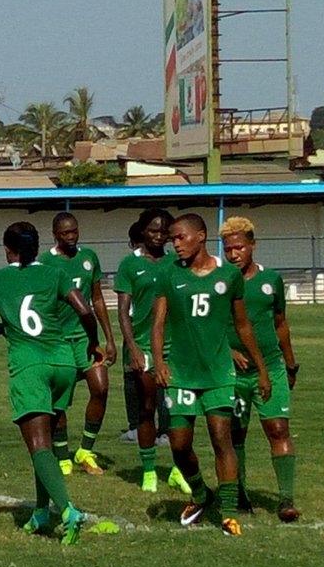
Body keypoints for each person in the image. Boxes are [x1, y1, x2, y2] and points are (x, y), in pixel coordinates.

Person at [0, 222, 100, 545]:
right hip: (64, 363)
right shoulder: (53, 272)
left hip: (30, 365)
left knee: (39, 444)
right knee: (43, 442)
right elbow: (85, 309)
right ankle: (41, 511)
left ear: (7, 249)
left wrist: (6, 327)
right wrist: (94, 343)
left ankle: (68, 510)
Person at [151, 213, 270, 537]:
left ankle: (229, 513)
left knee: (221, 438)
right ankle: (201, 493)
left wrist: (261, 368)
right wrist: (159, 361)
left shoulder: (229, 276)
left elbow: (242, 325)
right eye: (172, 239)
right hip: (181, 373)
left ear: (201, 236)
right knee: (178, 444)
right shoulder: (167, 275)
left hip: (218, 373)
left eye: (181, 237)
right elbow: (158, 323)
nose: (175, 244)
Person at [219, 217, 300, 522]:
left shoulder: (271, 280)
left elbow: (280, 323)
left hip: (271, 367)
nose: (233, 254)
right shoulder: (221, 280)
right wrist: (229, 351)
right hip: (231, 373)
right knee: (234, 434)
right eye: (228, 249)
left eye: (239, 247)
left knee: (278, 428)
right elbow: (206, 325)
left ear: (253, 245)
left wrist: (290, 364)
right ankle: (240, 494)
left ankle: (286, 499)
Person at [114, 209, 187, 493]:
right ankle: (148, 470)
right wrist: (133, 348)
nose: (158, 235)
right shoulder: (130, 265)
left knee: (179, 411)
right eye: (153, 230)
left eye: (164, 231)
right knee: (147, 408)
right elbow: (122, 312)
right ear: (142, 231)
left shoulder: (177, 262)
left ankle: (179, 470)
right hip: (143, 345)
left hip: (175, 348)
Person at [38, 213, 117, 475]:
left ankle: (85, 449)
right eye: (65, 233)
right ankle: (62, 455)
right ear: (55, 235)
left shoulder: (88, 257)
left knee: (101, 387)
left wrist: (109, 338)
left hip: (86, 337)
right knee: (60, 400)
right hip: (58, 339)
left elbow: (97, 299)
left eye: (74, 231)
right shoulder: (46, 262)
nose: (71, 237)